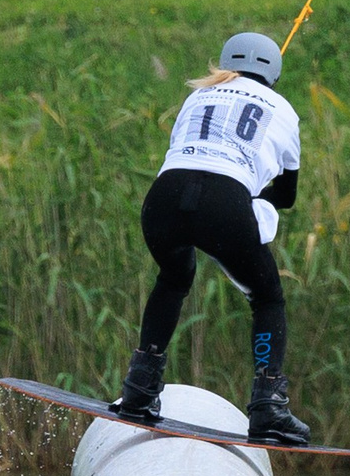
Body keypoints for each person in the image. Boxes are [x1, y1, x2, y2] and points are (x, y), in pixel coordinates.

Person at [113, 31, 312, 446]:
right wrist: (248, 196)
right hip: (225, 201)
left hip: (164, 197)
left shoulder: (197, 96)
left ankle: (139, 389)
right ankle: (268, 407)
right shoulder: (285, 110)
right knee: (267, 296)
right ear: (274, 72)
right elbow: (288, 196)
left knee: (173, 277)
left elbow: (190, 154)